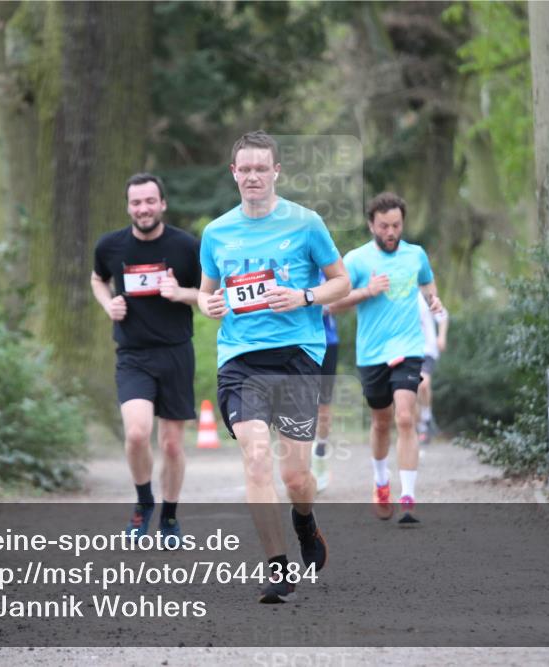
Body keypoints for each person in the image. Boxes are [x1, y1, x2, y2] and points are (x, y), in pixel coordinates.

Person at [197, 130, 350, 603]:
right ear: (233, 173)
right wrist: (210, 305)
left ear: (276, 171)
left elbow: (341, 283)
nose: (253, 177)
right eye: (245, 169)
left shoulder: (306, 224)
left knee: (295, 477)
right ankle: (277, 566)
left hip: (297, 357)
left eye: (261, 168)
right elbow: (206, 293)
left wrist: (304, 296)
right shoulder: (216, 232)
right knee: (257, 454)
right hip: (240, 360)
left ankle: (304, 520)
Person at [91, 173, 201, 549]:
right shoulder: (110, 246)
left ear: (162, 204)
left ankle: (170, 517)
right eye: (136, 203)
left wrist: (180, 292)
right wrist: (110, 304)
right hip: (133, 354)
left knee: (171, 445)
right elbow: (97, 280)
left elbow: (208, 296)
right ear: (128, 207)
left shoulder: (186, 246)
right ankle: (143, 503)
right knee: (137, 433)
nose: (143, 209)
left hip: (175, 352)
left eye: (150, 201)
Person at [329, 192, 442, 526]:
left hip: (409, 347)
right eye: (384, 226)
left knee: (405, 416)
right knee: (381, 421)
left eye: (396, 225)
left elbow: (428, 284)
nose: (391, 232)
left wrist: (434, 301)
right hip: (372, 352)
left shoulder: (416, 254)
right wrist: (367, 291)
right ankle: (381, 483)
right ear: (371, 225)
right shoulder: (357, 260)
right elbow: (332, 302)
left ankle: (408, 497)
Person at [312, 271, 341, 492]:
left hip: (327, 343)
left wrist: (327, 302)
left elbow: (342, 294)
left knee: (323, 407)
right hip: (295, 342)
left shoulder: (327, 269)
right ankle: (301, 463)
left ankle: (319, 457)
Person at [416, 293, 449, 444]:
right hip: (405, 350)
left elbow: (442, 315)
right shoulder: (397, 295)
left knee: (423, 383)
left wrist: (441, 336)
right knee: (410, 390)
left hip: (427, 349)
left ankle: (426, 419)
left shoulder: (424, 295)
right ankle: (418, 426)